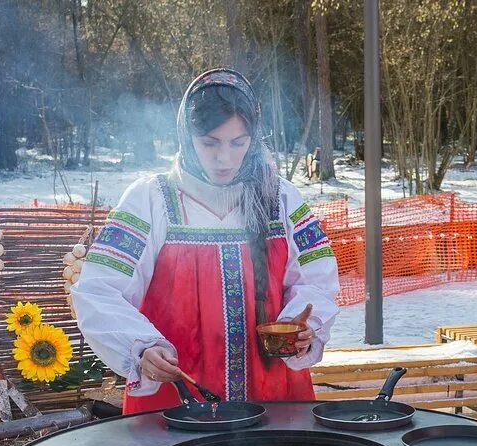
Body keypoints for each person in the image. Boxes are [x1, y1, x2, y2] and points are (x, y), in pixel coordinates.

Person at [73, 68, 339, 412]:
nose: (224, 158)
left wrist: (301, 329)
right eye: (209, 143)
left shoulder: (281, 199)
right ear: (187, 137)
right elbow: (98, 290)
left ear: (254, 139)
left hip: (273, 401)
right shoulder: (151, 201)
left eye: (238, 143)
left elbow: (317, 281)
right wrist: (140, 348)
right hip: (175, 405)